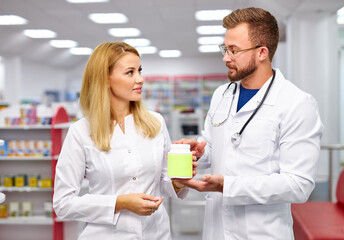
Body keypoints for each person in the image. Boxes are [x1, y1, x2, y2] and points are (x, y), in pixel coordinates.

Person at [174, 7, 323, 239]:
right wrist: (201, 152)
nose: (225, 58)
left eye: (233, 50)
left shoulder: (296, 103)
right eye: (225, 49)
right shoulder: (221, 95)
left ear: (262, 52)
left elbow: (299, 184)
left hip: (262, 232)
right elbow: (217, 148)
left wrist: (227, 186)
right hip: (216, 230)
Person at [53, 42, 197, 240]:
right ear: (104, 79)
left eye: (139, 70)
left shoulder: (155, 123)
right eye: (130, 72)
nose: (140, 79)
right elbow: (63, 204)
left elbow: (163, 184)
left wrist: (180, 182)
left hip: (155, 233)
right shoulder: (81, 132)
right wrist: (120, 202)